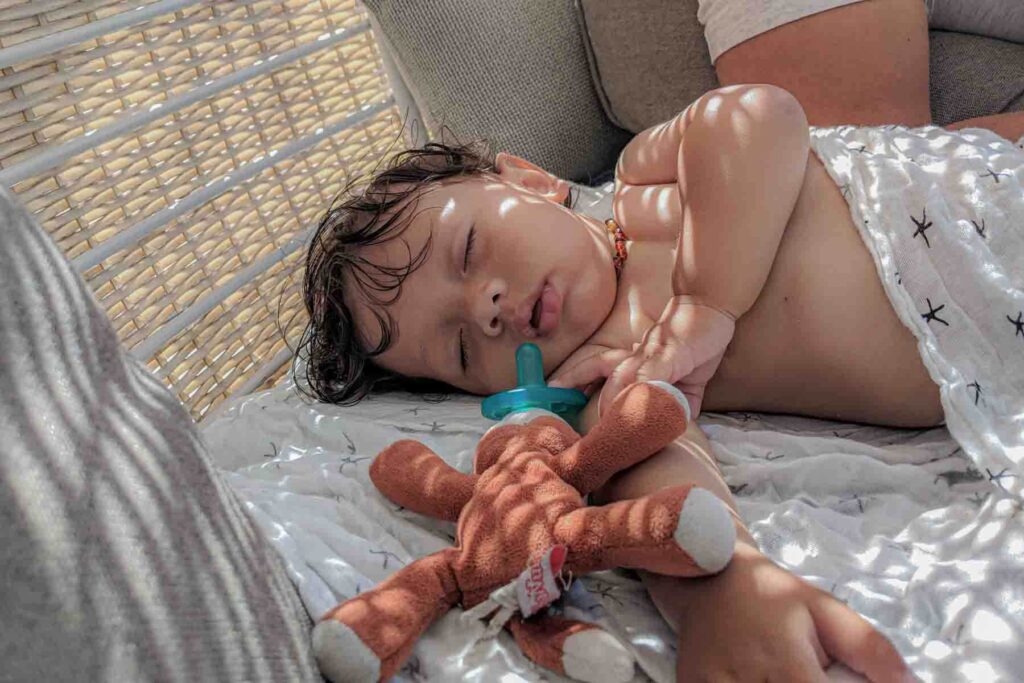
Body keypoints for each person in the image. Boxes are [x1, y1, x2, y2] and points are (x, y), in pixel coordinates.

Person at [297, 3, 1024, 681]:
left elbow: (759, 116)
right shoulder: (603, 375)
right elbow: (655, 473)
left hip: (971, 201)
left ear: (532, 180)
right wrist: (728, 582)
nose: (486, 308)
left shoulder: (642, 181)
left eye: (469, 251)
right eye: (458, 348)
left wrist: (706, 304)